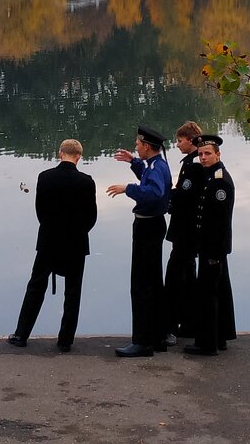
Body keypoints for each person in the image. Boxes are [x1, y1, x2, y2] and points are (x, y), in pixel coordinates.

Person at [8, 138, 97, 353]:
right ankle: (65, 341)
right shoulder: (86, 182)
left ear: (60, 154)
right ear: (79, 157)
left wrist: (50, 228)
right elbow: (91, 217)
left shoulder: (45, 178)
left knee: (36, 286)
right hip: (76, 243)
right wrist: (77, 232)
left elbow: (41, 211)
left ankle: (21, 334)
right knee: (73, 291)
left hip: (48, 240)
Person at [106, 125, 172, 357]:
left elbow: (152, 192)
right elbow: (149, 178)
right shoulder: (158, 164)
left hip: (147, 227)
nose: (136, 146)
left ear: (146, 146)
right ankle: (158, 337)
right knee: (154, 282)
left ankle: (142, 342)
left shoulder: (155, 168)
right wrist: (133, 162)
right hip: (154, 226)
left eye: (137, 144)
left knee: (141, 284)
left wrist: (128, 188)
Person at [184, 134, 237, 356]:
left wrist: (214, 253)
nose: (203, 157)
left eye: (208, 154)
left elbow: (221, 221)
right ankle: (220, 337)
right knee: (219, 291)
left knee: (207, 294)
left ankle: (207, 344)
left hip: (213, 248)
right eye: (201, 154)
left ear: (218, 154)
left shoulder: (219, 181)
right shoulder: (209, 177)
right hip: (210, 246)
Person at [164, 121, 203, 345]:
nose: (177, 145)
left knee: (176, 276)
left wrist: (168, 197)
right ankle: (190, 323)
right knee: (189, 276)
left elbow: (185, 197)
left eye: (179, 141)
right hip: (189, 232)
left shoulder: (194, 164)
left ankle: (170, 325)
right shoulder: (193, 161)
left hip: (185, 232)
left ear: (190, 140)